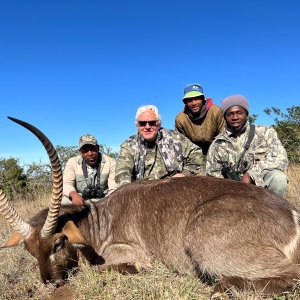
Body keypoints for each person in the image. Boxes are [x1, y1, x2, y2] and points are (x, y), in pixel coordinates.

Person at [206, 94, 289, 196]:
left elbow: (281, 159)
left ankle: (275, 211)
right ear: (225, 117)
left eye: (239, 113)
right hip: (232, 194)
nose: (235, 117)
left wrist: (251, 175)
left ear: (246, 113)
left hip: (261, 188)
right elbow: (213, 178)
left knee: (278, 178)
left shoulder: (265, 132)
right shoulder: (217, 145)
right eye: (230, 114)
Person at [116, 105, 204, 187]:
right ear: (137, 125)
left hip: (175, 187)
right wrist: (127, 189)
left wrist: (185, 173)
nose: (147, 127)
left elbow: (196, 152)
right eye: (142, 123)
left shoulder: (175, 138)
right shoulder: (128, 145)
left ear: (159, 124)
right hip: (143, 191)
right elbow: (122, 171)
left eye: (152, 123)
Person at [63, 134, 117, 205]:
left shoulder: (110, 162)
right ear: (80, 152)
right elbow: (66, 184)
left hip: (104, 201)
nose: (90, 153)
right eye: (85, 150)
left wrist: (107, 202)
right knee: (64, 201)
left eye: (93, 149)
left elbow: (114, 188)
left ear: (98, 148)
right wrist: (74, 195)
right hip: (81, 200)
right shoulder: (72, 162)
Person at [175, 83, 225, 155]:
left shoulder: (216, 111)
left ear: (202, 99)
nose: (194, 103)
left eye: (196, 98)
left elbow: (223, 134)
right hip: (194, 153)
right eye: (189, 100)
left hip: (216, 149)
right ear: (185, 102)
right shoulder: (180, 119)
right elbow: (182, 143)